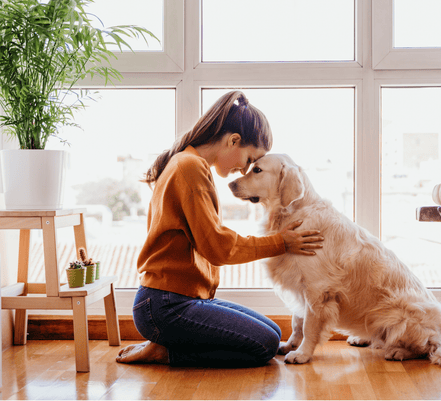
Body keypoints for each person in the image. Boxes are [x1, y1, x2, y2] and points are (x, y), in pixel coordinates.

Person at [116, 90, 324, 367]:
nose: (244, 170)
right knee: (263, 346)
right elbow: (218, 248)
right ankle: (165, 351)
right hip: (165, 306)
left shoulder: (187, 162)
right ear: (233, 140)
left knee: (273, 334)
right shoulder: (190, 168)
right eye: (249, 160)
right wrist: (281, 242)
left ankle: (167, 342)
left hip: (178, 300)